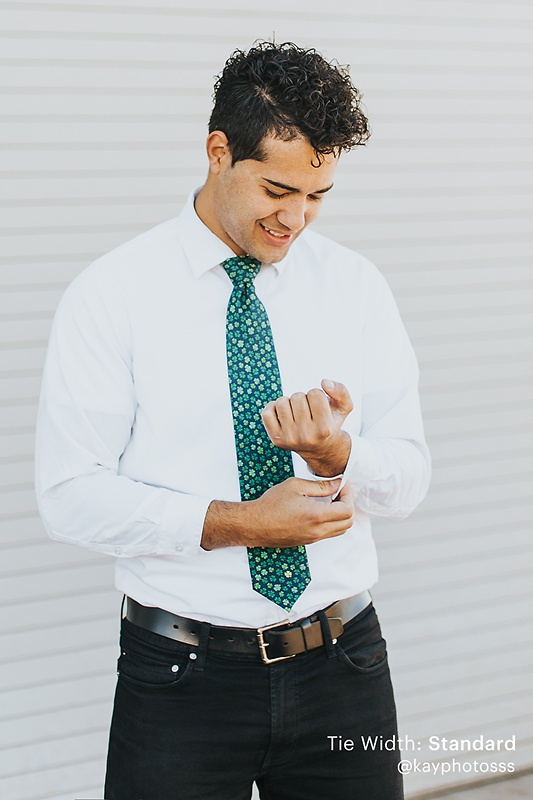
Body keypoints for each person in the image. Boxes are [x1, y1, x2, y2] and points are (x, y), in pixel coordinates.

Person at [35, 41, 430, 800]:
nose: (296, 218)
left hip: (344, 664)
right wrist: (246, 523)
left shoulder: (354, 286)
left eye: (317, 196)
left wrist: (336, 452)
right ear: (219, 152)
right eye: (277, 189)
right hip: (180, 679)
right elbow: (68, 497)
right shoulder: (112, 295)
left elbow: (407, 483)